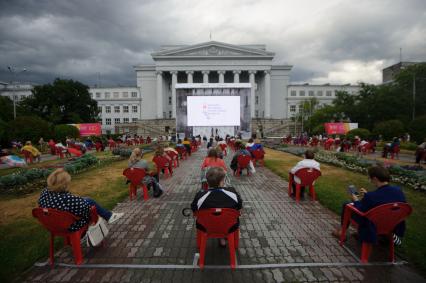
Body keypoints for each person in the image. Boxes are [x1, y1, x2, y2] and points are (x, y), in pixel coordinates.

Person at [332, 166, 407, 245]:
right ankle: (386, 236)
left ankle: (342, 233)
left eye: (370, 178)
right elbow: (382, 200)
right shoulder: (398, 191)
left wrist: (356, 200)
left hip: (373, 225)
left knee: (346, 205)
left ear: (375, 179)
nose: (370, 181)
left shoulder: (372, 196)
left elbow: (361, 210)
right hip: (392, 224)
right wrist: (368, 195)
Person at [38, 169, 123, 233]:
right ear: (64, 184)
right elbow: (85, 210)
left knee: (86, 200)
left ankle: (109, 216)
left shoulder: (45, 192)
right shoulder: (67, 198)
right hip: (70, 226)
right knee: (89, 203)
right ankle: (108, 216)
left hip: (51, 224)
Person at [191, 167, 243, 247]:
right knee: (230, 217)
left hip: (206, 226)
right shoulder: (232, 192)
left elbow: (194, 210)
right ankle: (224, 238)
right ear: (222, 181)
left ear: (207, 182)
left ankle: (214, 239)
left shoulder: (200, 195)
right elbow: (239, 206)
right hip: (229, 226)